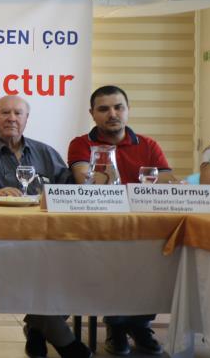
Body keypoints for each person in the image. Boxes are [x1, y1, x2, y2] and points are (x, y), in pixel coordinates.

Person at [0, 95, 89, 358]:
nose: (11, 118)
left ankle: (37, 326)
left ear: (27, 118)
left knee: (82, 265)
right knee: (40, 272)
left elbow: (69, 191)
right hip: (5, 245)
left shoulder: (46, 152)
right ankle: (67, 344)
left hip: (52, 239)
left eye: (18, 113)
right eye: (4, 113)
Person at [68, 85, 171, 356]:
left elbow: (166, 182)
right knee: (114, 259)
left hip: (143, 229)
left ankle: (139, 325)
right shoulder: (81, 144)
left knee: (160, 258)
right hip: (100, 230)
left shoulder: (148, 145)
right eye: (104, 109)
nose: (112, 114)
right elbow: (87, 182)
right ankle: (117, 325)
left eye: (118, 107)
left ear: (128, 110)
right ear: (92, 114)